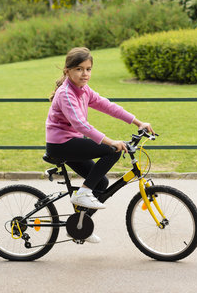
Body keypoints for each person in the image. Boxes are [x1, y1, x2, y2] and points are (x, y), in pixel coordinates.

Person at [46, 47, 154, 242]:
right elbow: (80, 124)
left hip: (72, 142)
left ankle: (79, 227)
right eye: (79, 69)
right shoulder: (66, 94)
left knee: (101, 182)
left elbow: (107, 106)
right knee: (112, 151)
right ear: (67, 71)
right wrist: (110, 141)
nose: (85, 74)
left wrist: (138, 122)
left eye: (88, 69)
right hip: (61, 144)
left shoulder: (83, 90)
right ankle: (83, 193)